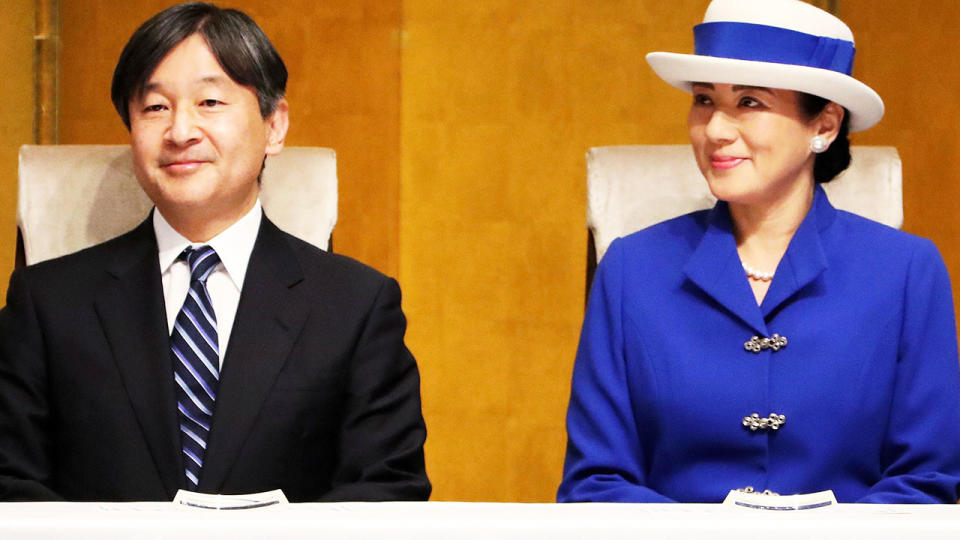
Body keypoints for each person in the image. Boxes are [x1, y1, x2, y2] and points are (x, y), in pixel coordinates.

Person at [0, 2, 430, 502]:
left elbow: (387, 489)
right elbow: (10, 484)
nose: (181, 131)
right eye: (155, 107)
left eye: (210, 102)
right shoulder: (48, 303)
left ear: (274, 126)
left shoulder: (356, 305)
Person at [558, 0, 960, 503]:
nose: (716, 130)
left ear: (824, 126)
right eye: (704, 100)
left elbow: (926, 484)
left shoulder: (907, 272)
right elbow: (595, 484)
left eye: (749, 102)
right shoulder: (631, 270)